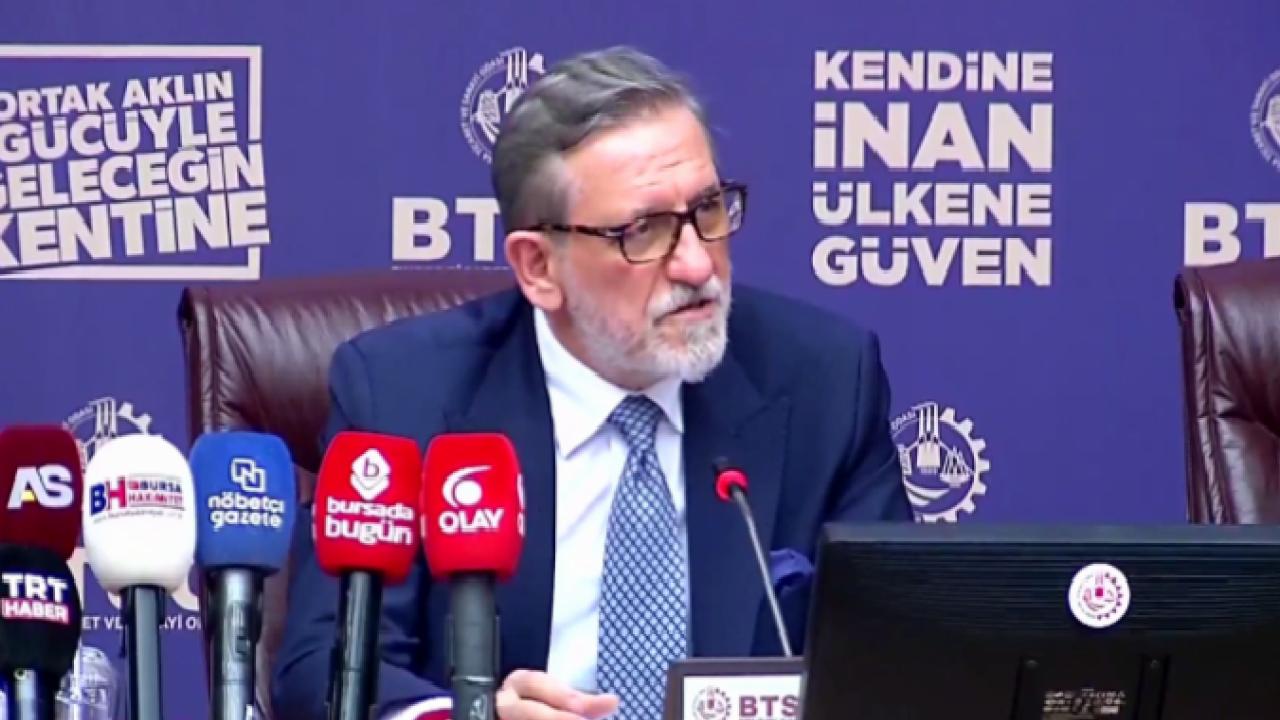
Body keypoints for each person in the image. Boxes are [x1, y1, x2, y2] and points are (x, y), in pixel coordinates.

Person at [271, 45, 914, 720]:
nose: (697, 265)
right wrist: (469, 716)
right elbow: (326, 669)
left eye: (709, 210)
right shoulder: (406, 394)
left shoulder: (823, 381)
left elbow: (897, 657)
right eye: (643, 231)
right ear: (538, 267)